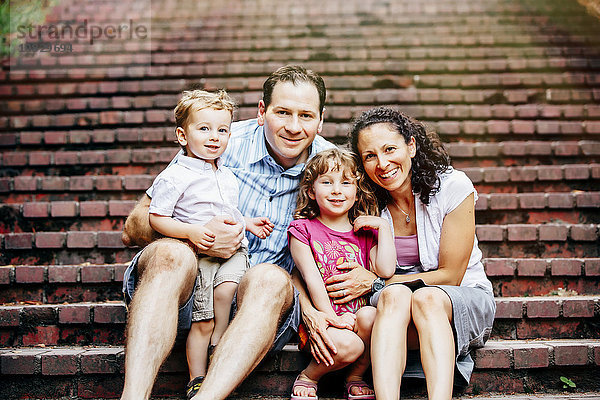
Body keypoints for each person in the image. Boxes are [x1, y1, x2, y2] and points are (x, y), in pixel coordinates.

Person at [119, 65, 339, 400]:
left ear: (321, 119)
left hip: (256, 311)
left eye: (306, 115)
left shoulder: (332, 168)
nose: (294, 127)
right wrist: (194, 236)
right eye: (282, 113)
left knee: (271, 277)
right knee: (171, 252)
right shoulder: (217, 137)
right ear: (262, 111)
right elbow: (133, 226)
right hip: (187, 293)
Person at [338, 106, 495, 400]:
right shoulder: (368, 202)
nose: (382, 164)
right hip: (396, 309)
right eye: (370, 156)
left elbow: (451, 275)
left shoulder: (452, 186)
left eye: (389, 149)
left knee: (426, 297)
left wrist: (376, 283)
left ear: (411, 145)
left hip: (461, 297)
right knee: (389, 299)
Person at [145, 89, 274, 398]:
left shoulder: (226, 174)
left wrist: (248, 223)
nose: (215, 137)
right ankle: (197, 378)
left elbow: (228, 211)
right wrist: (190, 232)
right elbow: (156, 218)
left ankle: (219, 342)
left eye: (223, 130)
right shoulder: (175, 176)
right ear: (182, 134)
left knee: (228, 289)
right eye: (204, 129)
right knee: (203, 320)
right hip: (201, 254)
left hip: (233, 250)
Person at [287, 148, 396, 400]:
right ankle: (309, 375)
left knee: (371, 315)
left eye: (346, 183)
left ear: (356, 192)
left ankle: (355, 376)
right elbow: (312, 280)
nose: (337, 190)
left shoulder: (365, 233)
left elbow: (386, 270)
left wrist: (383, 227)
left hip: (356, 321)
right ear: (312, 191)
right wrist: (330, 318)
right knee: (351, 344)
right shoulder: (302, 230)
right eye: (327, 182)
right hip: (324, 321)